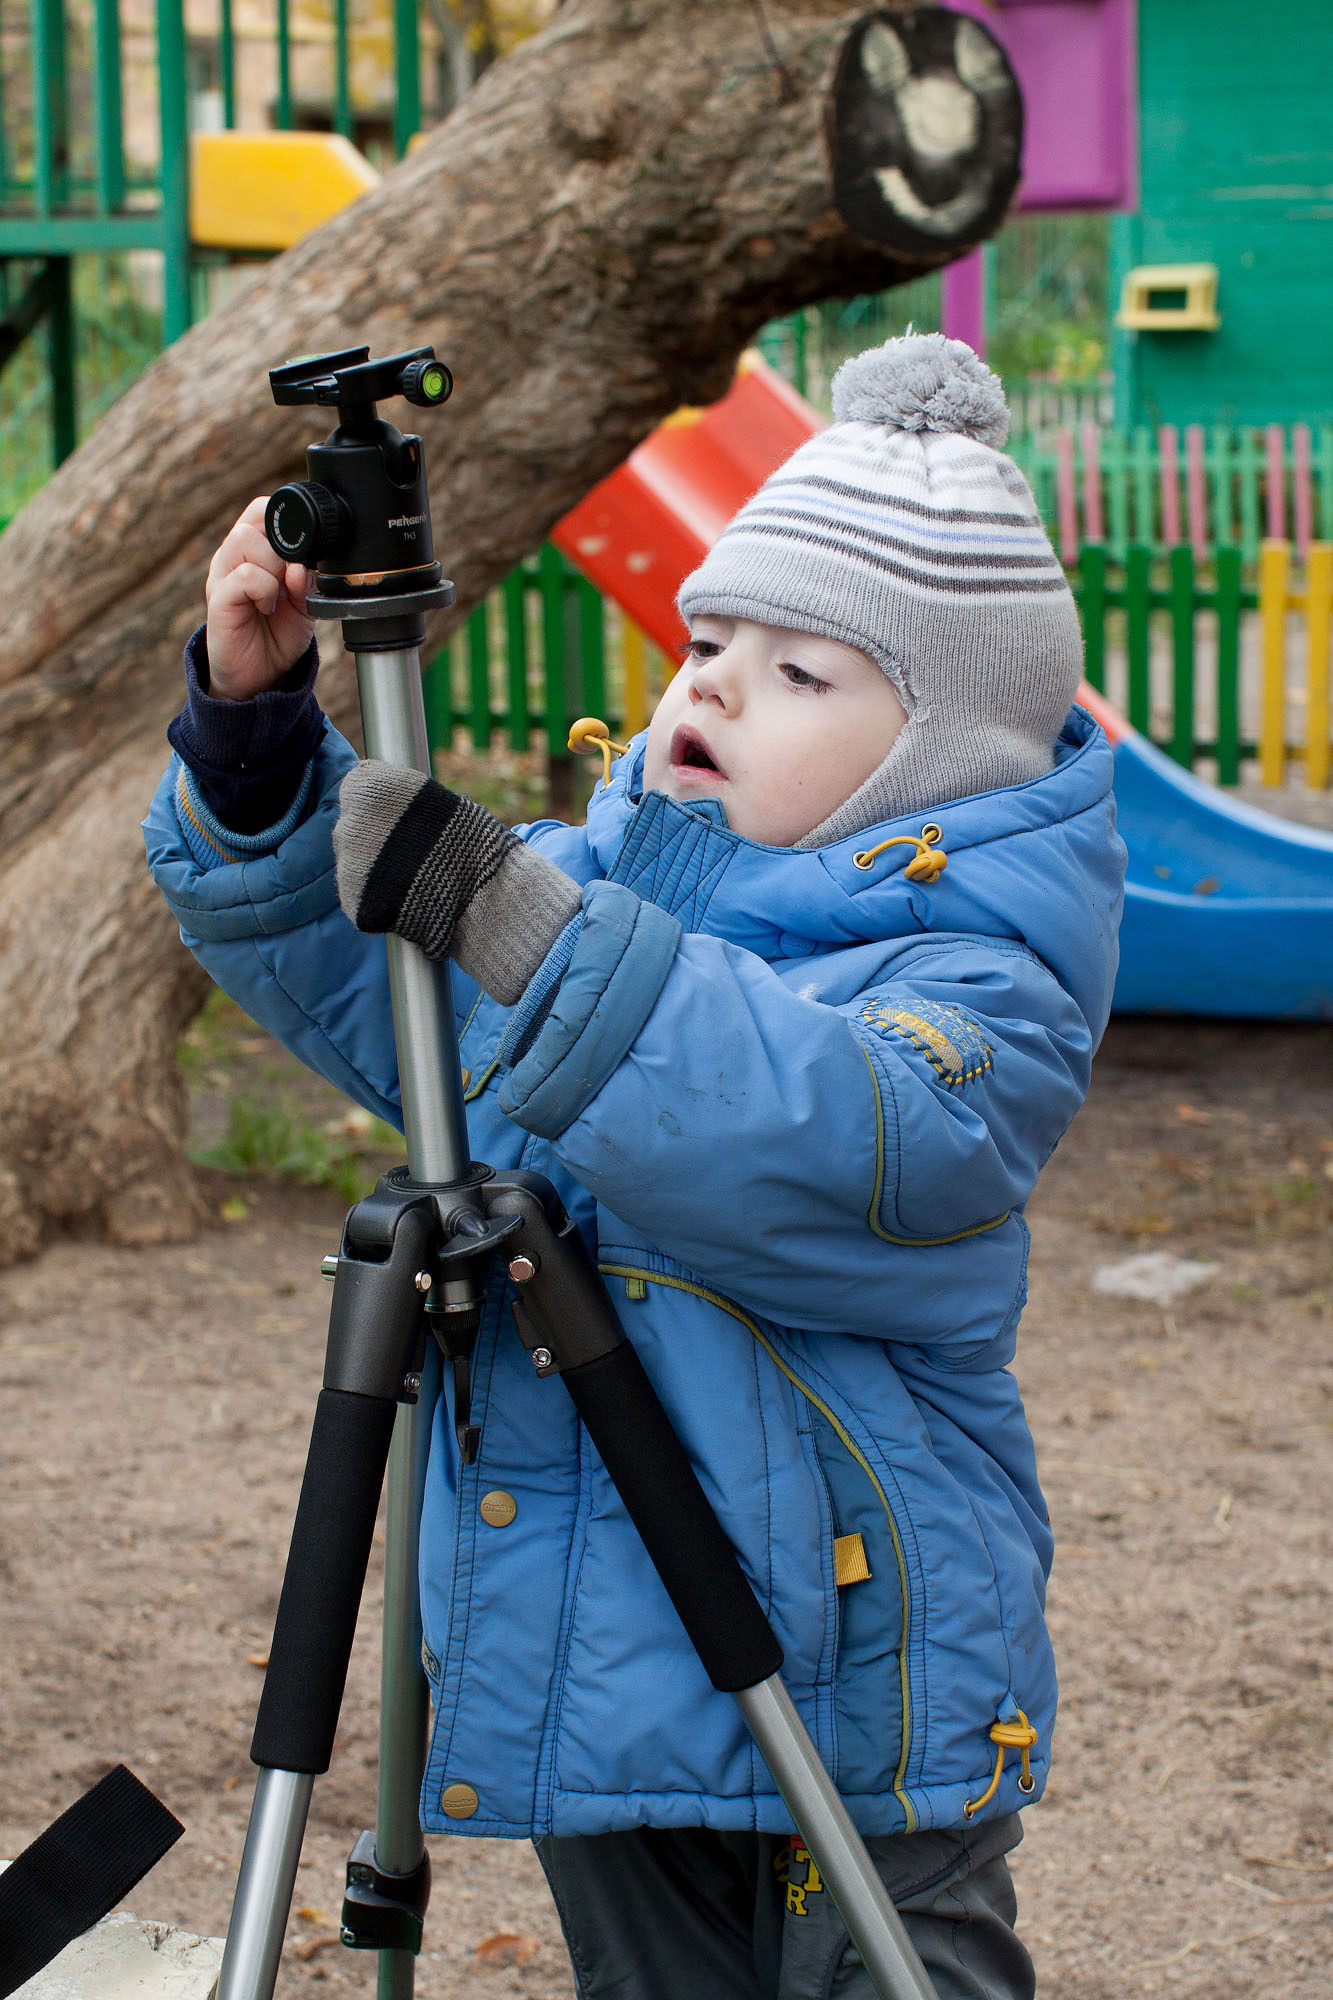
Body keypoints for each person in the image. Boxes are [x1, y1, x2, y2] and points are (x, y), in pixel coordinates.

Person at [144, 333, 1126, 2000]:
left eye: (802, 674)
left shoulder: (973, 988)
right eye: (708, 641)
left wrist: (520, 928)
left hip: (848, 1664)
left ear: (940, 766)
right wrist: (254, 746)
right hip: (604, 1641)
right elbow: (379, 991)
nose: (716, 685)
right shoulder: (577, 901)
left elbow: (825, 1127)